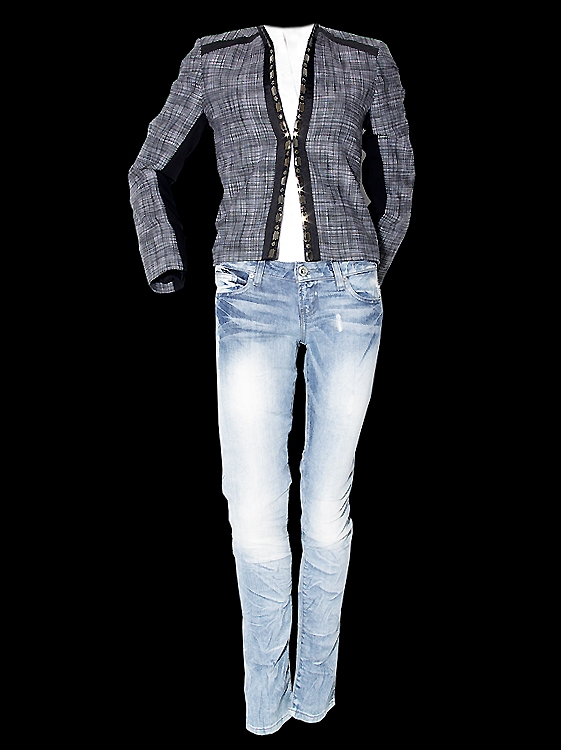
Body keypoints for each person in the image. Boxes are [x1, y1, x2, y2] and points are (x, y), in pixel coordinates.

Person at [129, 22, 414, 735]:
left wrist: (367, 269)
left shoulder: (366, 57)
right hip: (249, 292)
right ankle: (264, 704)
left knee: (325, 505)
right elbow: (146, 166)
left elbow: (401, 176)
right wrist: (165, 260)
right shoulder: (213, 56)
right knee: (254, 509)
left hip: (346, 293)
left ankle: (314, 695)